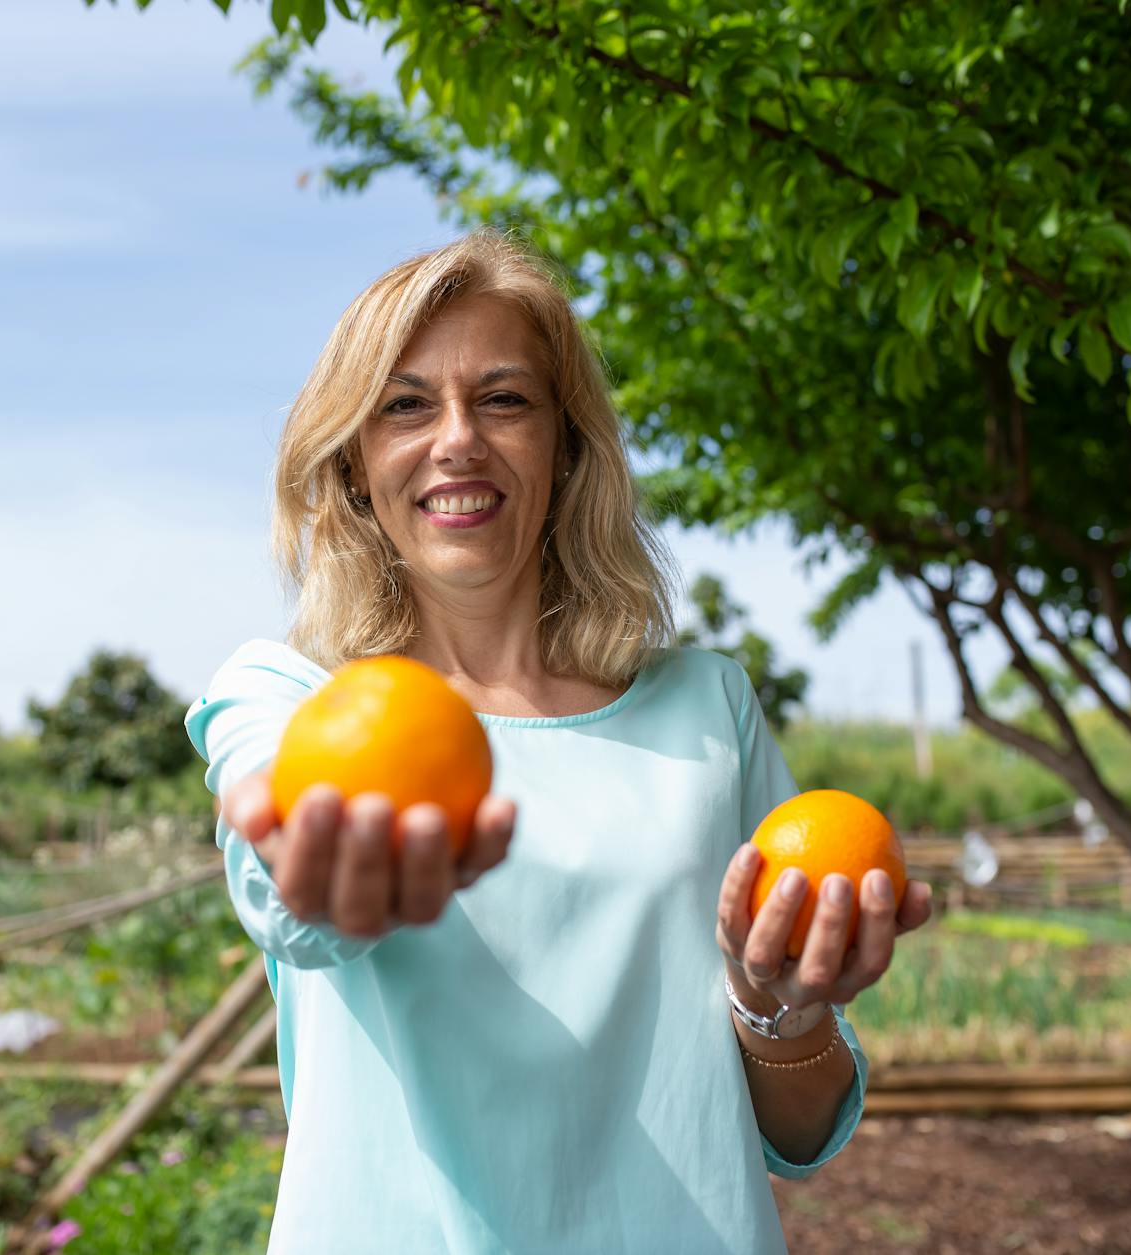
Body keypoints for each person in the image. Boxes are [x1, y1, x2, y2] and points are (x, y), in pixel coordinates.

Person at [184, 230, 932, 1254]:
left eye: (503, 399)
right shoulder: (289, 698)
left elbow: (796, 1132)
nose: (457, 439)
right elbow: (288, 877)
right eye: (405, 405)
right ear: (356, 462)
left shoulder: (706, 712)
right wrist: (319, 879)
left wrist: (780, 1012)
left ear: (565, 446)